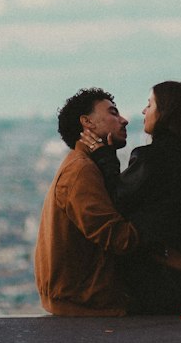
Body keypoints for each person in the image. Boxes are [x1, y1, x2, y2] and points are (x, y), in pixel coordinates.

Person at [83, 80, 181, 315]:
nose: (144, 111)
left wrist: (106, 157)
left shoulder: (152, 158)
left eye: (150, 105)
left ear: (165, 112)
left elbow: (115, 202)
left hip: (180, 284)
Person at [34, 87, 145, 316]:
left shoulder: (82, 164)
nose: (124, 120)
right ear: (88, 123)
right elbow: (118, 238)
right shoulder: (81, 171)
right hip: (87, 301)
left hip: (79, 297)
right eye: (113, 113)